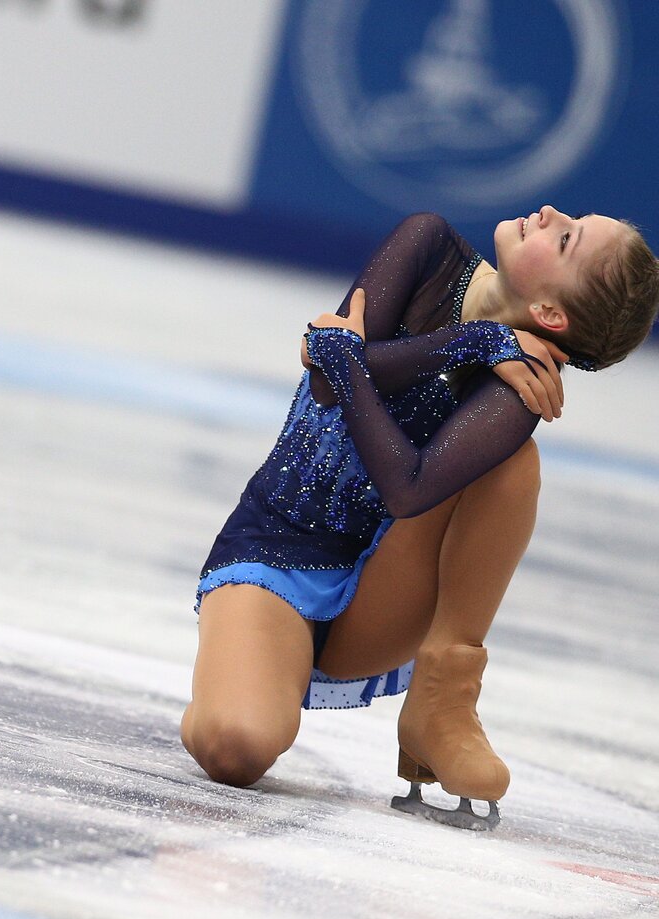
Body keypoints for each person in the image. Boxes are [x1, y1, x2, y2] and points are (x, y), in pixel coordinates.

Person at [181, 206, 659, 827]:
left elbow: (404, 483)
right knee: (234, 746)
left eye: (565, 238)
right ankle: (245, 671)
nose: (549, 213)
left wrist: (342, 353)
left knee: (514, 465)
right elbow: (328, 388)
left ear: (550, 315)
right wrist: (471, 340)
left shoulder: (523, 381)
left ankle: (442, 701)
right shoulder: (427, 247)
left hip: (384, 596)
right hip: (274, 547)